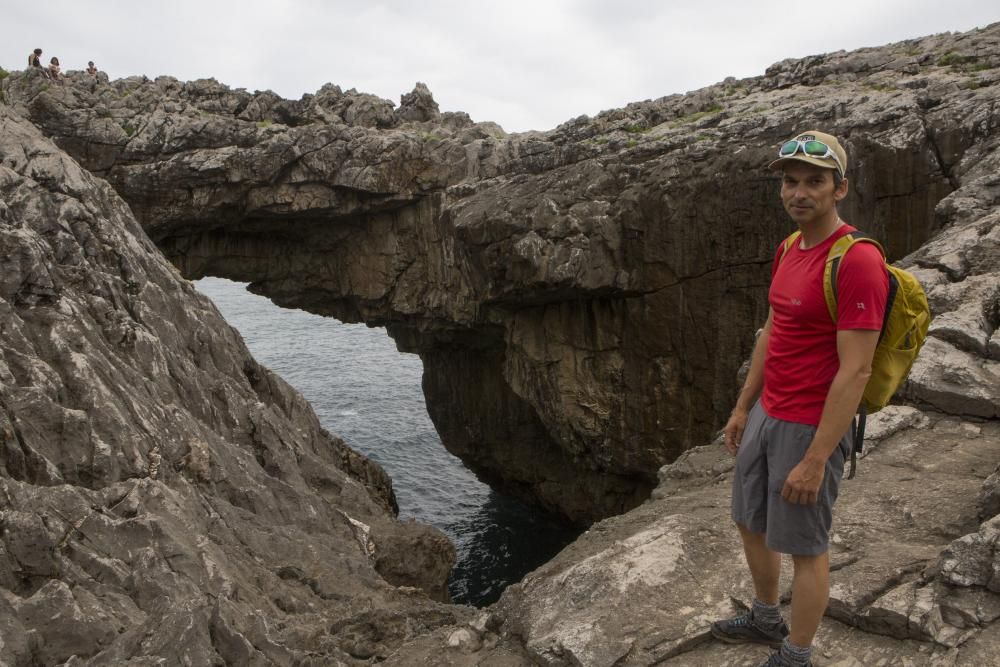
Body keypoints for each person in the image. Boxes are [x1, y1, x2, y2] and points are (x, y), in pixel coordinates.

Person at [710, 130, 888, 667]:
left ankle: (797, 654)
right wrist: (745, 406)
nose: (799, 192)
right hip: (769, 412)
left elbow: (856, 371)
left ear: (840, 189)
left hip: (810, 424)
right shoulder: (789, 247)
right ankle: (766, 617)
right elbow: (773, 331)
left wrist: (815, 459)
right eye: (790, 182)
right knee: (749, 518)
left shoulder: (856, 260)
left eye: (815, 181)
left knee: (806, 547)